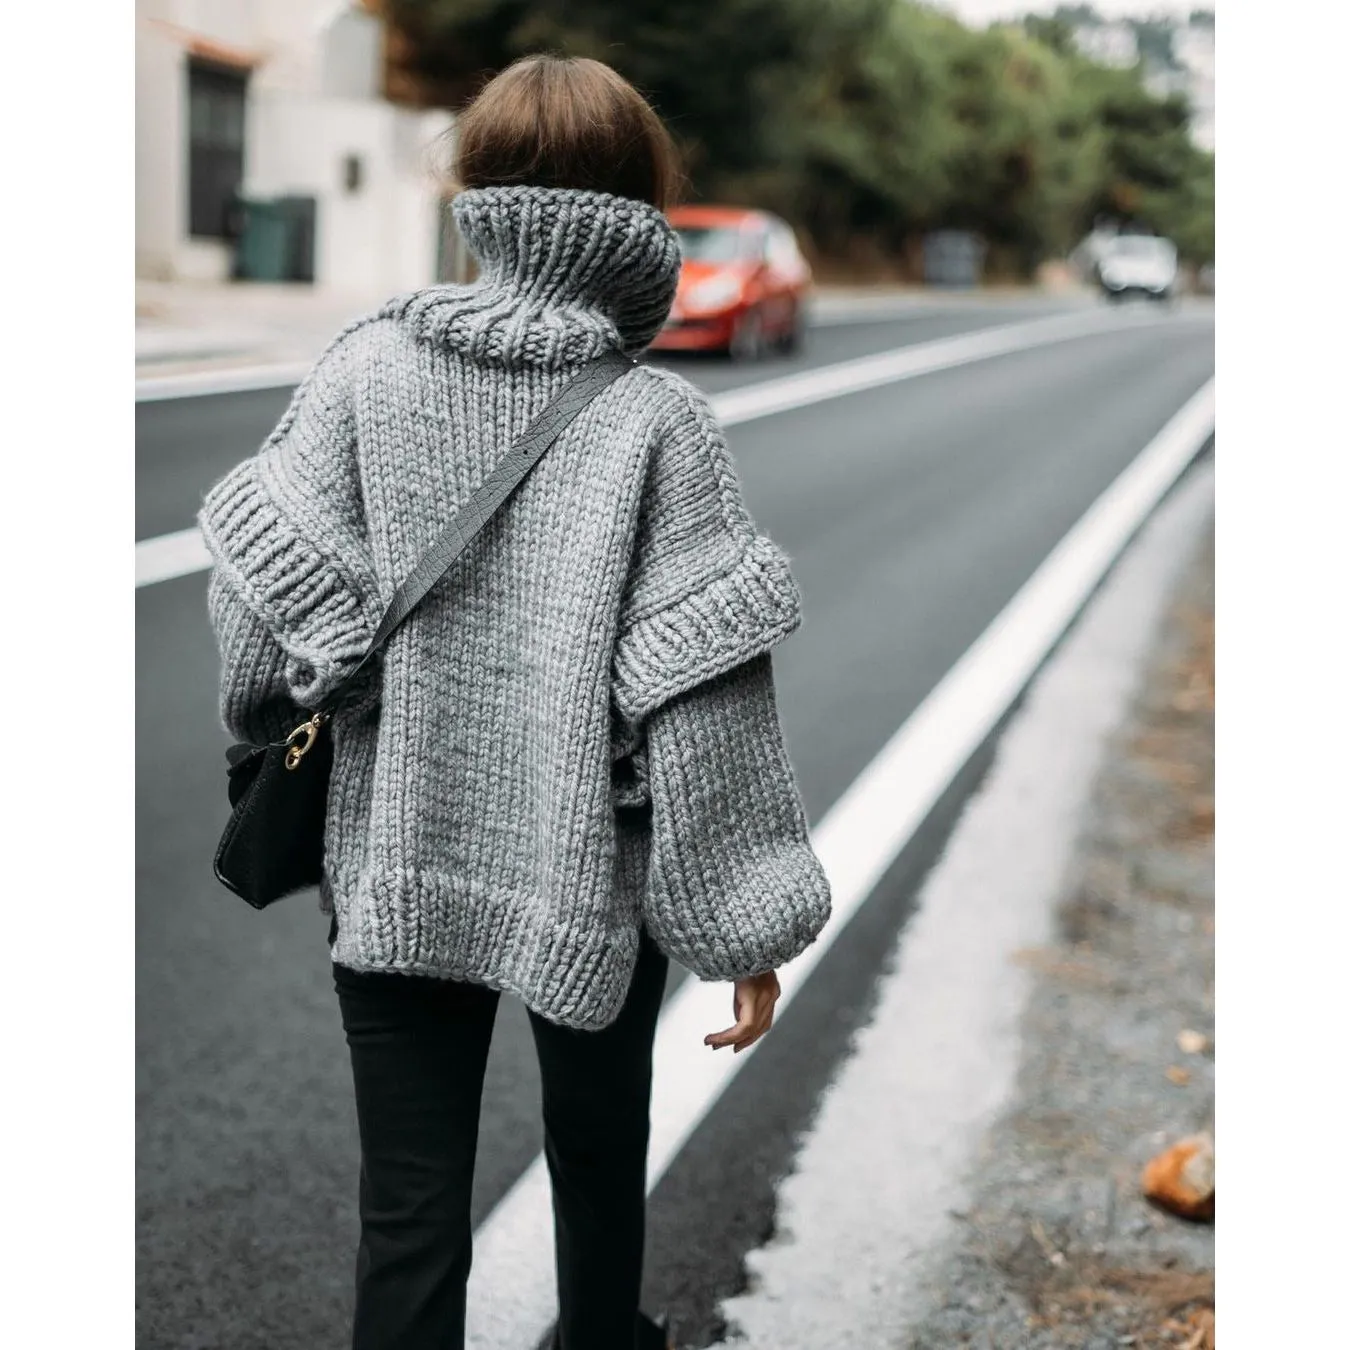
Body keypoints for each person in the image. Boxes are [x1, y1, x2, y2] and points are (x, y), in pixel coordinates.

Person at [198, 53, 831, 1350]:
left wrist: (275, 714)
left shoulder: (365, 369)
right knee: (597, 1161)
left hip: (397, 844)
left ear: (475, 192)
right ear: (642, 207)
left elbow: (257, 606)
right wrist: (742, 920)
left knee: (410, 1201)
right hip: (588, 872)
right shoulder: (658, 421)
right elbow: (703, 695)